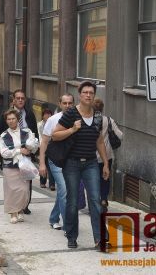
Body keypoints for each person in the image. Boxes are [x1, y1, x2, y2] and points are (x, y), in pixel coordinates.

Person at [52, 81, 110, 250]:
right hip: (72, 164)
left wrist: (105, 163)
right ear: (80, 94)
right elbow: (55, 135)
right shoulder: (71, 113)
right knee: (72, 201)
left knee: (95, 200)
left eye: (91, 92)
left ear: (94, 95)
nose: (88, 95)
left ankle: (100, 239)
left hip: (91, 163)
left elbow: (99, 141)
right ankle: (71, 235)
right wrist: (72, 130)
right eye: (85, 92)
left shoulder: (98, 116)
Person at [0, 89, 39, 215]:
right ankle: (14, 208)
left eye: (22, 98)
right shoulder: (6, 115)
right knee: (12, 184)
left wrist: (35, 150)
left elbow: (34, 132)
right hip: (11, 151)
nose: (20, 100)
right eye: (17, 98)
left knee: (26, 180)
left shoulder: (29, 114)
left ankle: (24, 205)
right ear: (13, 99)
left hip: (27, 152)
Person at [39, 94, 74, 231]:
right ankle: (69, 226)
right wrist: (42, 163)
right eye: (64, 103)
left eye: (70, 103)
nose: (67, 105)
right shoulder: (53, 120)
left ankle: (54, 218)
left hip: (72, 161)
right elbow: (44, 142)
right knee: (64, 191)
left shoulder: (78, 119)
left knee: (63, 192)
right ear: (60, 104)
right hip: (56, 160)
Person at [0, 109, 39, 224]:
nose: (11, 121)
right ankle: (13, 212)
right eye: (9, 119)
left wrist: (31, 148)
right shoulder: (4, 135)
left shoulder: (27, 132)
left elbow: (35, 145)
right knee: (11, 190)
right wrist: (18, 151)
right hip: (10, 166)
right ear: (6, 121)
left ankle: (21, 210)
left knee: (24, 190)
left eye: (13, 119)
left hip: (25, 165)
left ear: (18, 119)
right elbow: (4, 152)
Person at [93, 98, 123, 212]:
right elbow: (120, 135)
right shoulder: (108, 120)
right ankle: (104, 199)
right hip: (107, 155)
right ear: (102, 108)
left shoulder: (89, 120)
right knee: (105, 178)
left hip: (92, 155)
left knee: (93, 179)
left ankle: (95, 201)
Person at [37, 108, 55, 190]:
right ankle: (42, 182)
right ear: (42, 115)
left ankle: (52, 184)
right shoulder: (39, 124)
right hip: (42, 147)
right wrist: (41, 145)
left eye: (49, 114)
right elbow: (39, 136)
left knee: (51, 166)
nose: (47, 116)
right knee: (43, 164)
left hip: (52, 147)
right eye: (46, 114)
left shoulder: (53, 123)